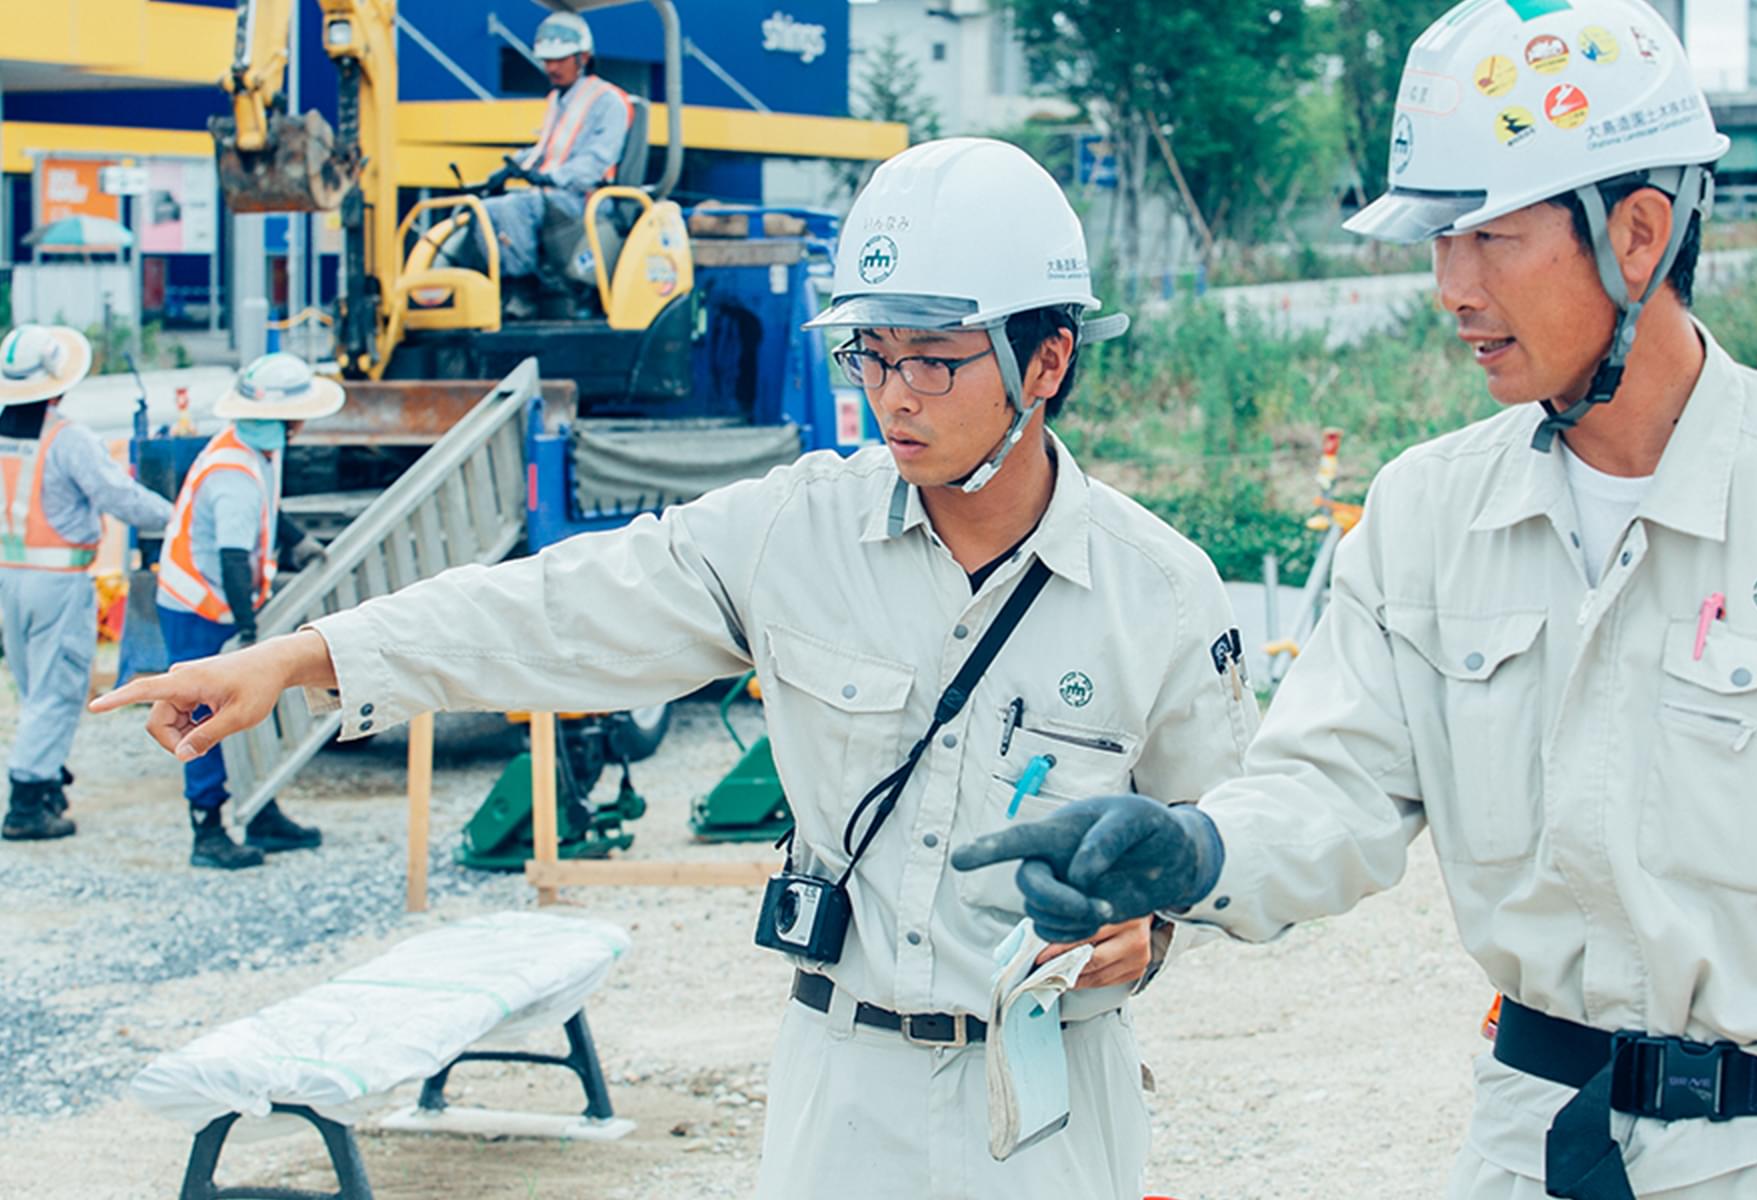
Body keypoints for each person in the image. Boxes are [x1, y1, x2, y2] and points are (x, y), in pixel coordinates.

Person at [94, 137, 1259, 1199]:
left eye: (936, 361)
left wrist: (1153, 933)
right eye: (872, 352)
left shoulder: (1158, 595)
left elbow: (1242, 835)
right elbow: (555, 610)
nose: (893, 393)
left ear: (1045, 358)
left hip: (1052, 1101)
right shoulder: (787, 540)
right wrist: (310, 654)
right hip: (842, 1092)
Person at [956, 2, 1757, 1198]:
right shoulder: (1425, 519)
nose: (1449, 287)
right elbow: (1333, 790)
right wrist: (1195, 850)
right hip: (1534, 1150)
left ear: (1638, 234)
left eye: (1489, 238)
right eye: (1437, 242)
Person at [155, 353, 336, 870]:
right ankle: (208, 827)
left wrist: (298, 542)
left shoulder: (253, 449)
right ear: (283, 418)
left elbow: (266, 512)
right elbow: (235, 555)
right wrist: (248, 627)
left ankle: (261, 808)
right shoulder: (234, 471)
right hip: (200, 606)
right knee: (204, 714)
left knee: (249, 708)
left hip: (213, 599)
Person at [0, 324, 173, 841]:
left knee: (34, 687)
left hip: (10, 575)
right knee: (57, 690)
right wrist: (178, 517)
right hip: (57, 580)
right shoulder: (67, 438)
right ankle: (28, 800)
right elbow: (117, 496)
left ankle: (46, 774)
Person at [482, 11, 633, 286]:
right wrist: (509, 170)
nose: (551, 68)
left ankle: (522, 288)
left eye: (559, 60)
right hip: (553, 195)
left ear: (583, 58)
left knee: (513, 208)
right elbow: (545, 148)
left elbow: (597, 160)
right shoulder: (557, 99)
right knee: (484, 209)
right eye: (547, 61)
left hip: (585, 198)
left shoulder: (608, 101)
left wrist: (553, 177)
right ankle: (495, 284)